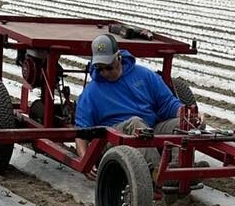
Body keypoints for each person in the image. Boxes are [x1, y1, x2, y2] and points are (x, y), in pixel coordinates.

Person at [73, 33, 202, 172]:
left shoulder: (144, 75)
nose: (104, 72)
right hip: (113, 139)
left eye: (108, 67)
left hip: (151, 128)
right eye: (100, 68)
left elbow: (167, 103)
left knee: (184, 124)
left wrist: (186, 113)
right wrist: (85, 160)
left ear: (118, 57)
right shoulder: (91, 92)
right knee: (135, 123)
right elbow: (82, 131)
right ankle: (158, 172)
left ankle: (180, 170)